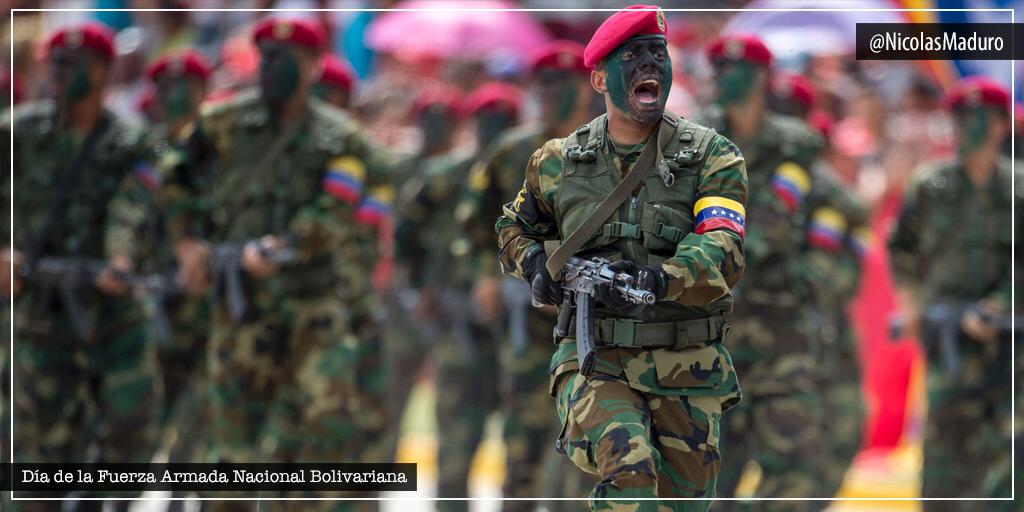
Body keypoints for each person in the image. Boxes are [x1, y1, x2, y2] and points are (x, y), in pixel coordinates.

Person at [496, 6, 746, 510]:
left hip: (688, 367)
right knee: (630, 474)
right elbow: (512, 227)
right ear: (599, 77)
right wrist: (534, 266)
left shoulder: (712, 157)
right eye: (631, 56)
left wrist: (658, 280)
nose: (649, 65)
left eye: (658, 54)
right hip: (596, 362)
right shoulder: (558, 161)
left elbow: (722, 246)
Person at [158, 18, 376, 502]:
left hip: (311, 304)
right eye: (267, 56)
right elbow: (174, 176)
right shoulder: (220, 123)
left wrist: (284, 246)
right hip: (241, 307)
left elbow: (337, 209)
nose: (272, 66)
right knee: (233, 448)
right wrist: (186, 243)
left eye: (286, 58)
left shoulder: (342, 136)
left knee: (327, 428)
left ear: (313, 66)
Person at [2, 22, 161, 510]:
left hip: (110, 315)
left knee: (129, 438)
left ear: (102, 72)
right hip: (39, 312)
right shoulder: (18, 132)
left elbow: (135, 206)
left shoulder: (133, 141)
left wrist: (120, 258)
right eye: (54, 64)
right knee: (37, 459)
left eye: (72, 66)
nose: (59, 75)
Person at [455, 39, 596, 507]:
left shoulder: (612, 148)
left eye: (564, 83)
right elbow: (474, 224)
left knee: (590, 443)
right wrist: (484, 276)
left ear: (587, 88)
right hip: (529, 320)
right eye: (546, 84)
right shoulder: (511, 151)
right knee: (524, 439)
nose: (554, 93)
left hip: (595, 322)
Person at [698, 34, 826, 508]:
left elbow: (769, 227)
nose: (722, 80)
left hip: (778, 333)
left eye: (735, 71)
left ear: (760, 78)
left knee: (791, 468)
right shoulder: (690, 140)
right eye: (718, 71)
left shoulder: (795, 144)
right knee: (706, 470)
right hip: (708, 334)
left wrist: (699, 254)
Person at [888, 76, 1017, 510]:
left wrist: (998, 306)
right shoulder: (931, 186)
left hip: (1011, 345)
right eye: (959, 118)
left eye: (977, 118)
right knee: (945, 455)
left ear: (1001, 125)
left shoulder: (1018, 189)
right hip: (948, 341)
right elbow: (900, 247)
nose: (965, 128)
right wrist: (910, 304)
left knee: (1009, 458)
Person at [118, 49, 215, 471]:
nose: (174, 96)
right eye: (165, 87)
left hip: (203, 297)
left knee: (199, 410)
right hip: (144, 295)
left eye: (185, 87)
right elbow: (125, 211)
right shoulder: (138, 148)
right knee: (138, 413)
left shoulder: (217, 149)